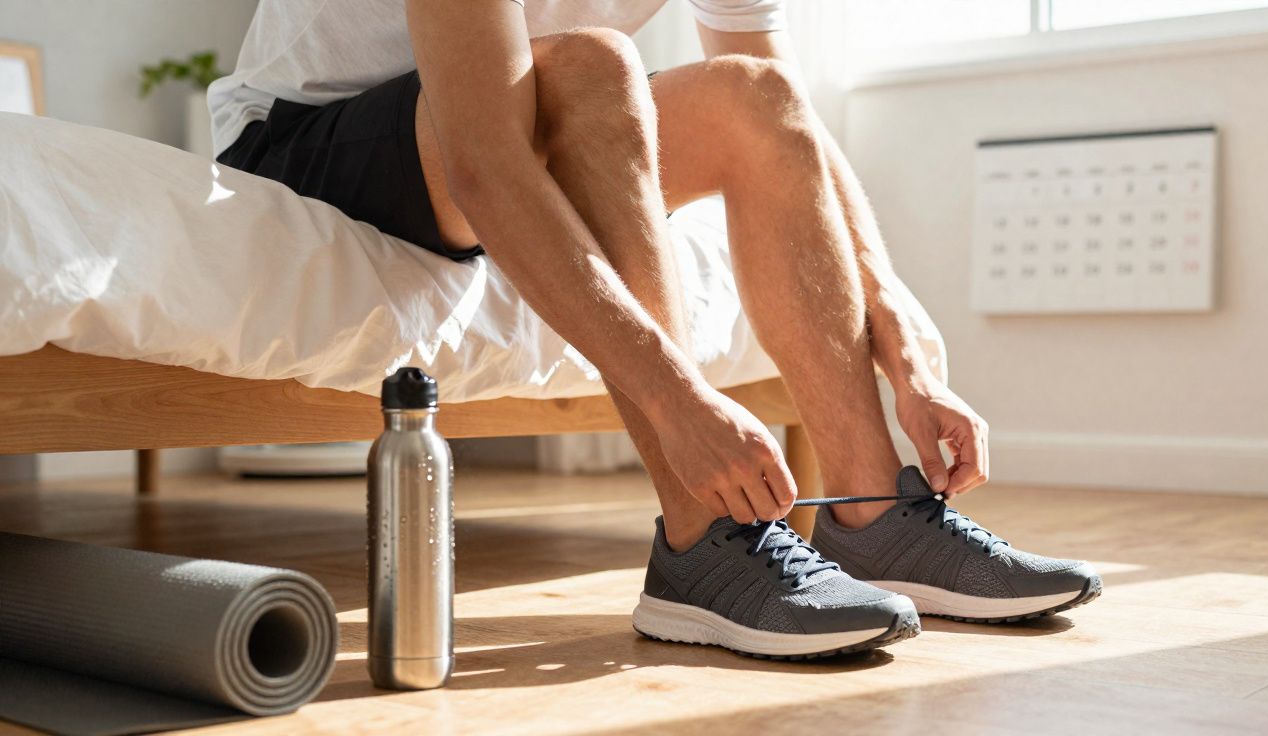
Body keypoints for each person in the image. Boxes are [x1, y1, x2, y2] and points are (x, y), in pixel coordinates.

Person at [210, 0, 1100, 659]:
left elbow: (793, 117)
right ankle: (701, 540)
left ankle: (874, 514)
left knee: (754, 95)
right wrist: (681, 397)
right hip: (301, 143)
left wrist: (895, 308)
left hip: (498, 121)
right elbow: (485, 159)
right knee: (593, 68)